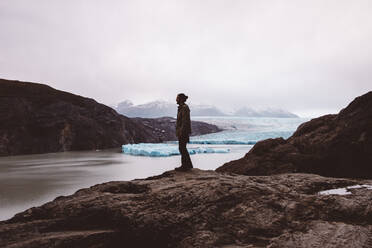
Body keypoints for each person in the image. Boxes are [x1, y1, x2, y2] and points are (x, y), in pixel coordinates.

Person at [175, 93, 193, 171]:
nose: (176, 99)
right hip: (182, 131)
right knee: (182, 148)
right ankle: (188, 165)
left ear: (180, 99)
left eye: (177, 98)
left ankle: (185, 166)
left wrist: (182, 132)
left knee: (182, 148)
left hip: (183, 132)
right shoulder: (181, 107)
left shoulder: (184, 108)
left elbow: (185, 121)